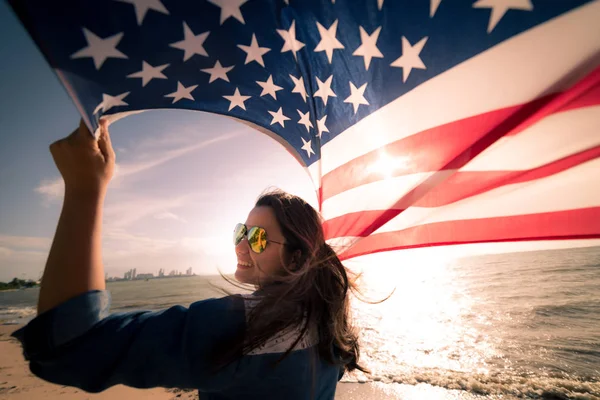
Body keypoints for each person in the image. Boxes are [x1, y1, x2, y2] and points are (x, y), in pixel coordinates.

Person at [12, 120, 368, 400]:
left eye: (258, 238)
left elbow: (66, 349)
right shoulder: (327, 321)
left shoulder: (246, 326)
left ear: (296, 258)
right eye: (241, 233)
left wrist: (84, 188)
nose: (242, 246)